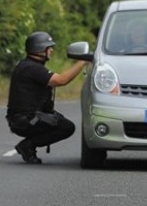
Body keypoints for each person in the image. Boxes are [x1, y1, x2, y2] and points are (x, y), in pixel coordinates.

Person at [6, 31, 88, 164]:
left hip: (22, 118)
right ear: (39, 49)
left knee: (59, 120)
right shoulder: (32, 68)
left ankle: (29, 144)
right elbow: (61, 80)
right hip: (25, 120)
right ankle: (28, 145)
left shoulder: (27, 65)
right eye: (48, 48)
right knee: (67, 127)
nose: (51, 50)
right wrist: (81, 63)